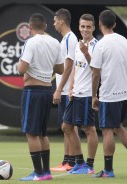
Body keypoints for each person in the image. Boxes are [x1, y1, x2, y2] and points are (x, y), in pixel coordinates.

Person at [91, 10, 127, 178]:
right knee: (118, 127)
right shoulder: (125, 42)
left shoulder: (101, 44)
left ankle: (108, 170)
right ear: (114, 24)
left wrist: (93, 95)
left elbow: (95, 73)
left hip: (109, 95)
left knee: (107, 130)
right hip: (123, 93)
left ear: (99, 24)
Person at [17, 13, 64, 181]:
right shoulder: (54, 42)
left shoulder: (31, 42)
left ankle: (38, 173)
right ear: (45, 26)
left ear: (30, 28)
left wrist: (19, 65)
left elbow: (22, 69)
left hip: (33, 91)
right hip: (47, 91)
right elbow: (60, 69)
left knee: (31, 133)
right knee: (43, 134)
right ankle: (46, 172)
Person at [60, 14, 99, 175]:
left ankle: (89, 166)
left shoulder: (96, 46)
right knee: (67, 127)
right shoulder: (77, 44)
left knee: (88, 129)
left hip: (87, 94)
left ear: (94, 28)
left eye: (88, 27)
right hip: (75, 93)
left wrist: (86, 53)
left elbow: (97, 70)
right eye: (82, 26)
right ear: (79, 26)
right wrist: (70, 88)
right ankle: (80, 162)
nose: (85, 29)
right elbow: (75, 67)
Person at [50, 8, 78, 172]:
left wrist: (59, 89)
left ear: (61, 21)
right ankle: (67, 160)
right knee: (65, 127)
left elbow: (68, 68)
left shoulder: (70, 39)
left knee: (69, 127)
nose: (53, 23)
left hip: (68, 90)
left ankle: (72, 161)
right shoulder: (65, 40)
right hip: (65, 89)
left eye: (55, 21)